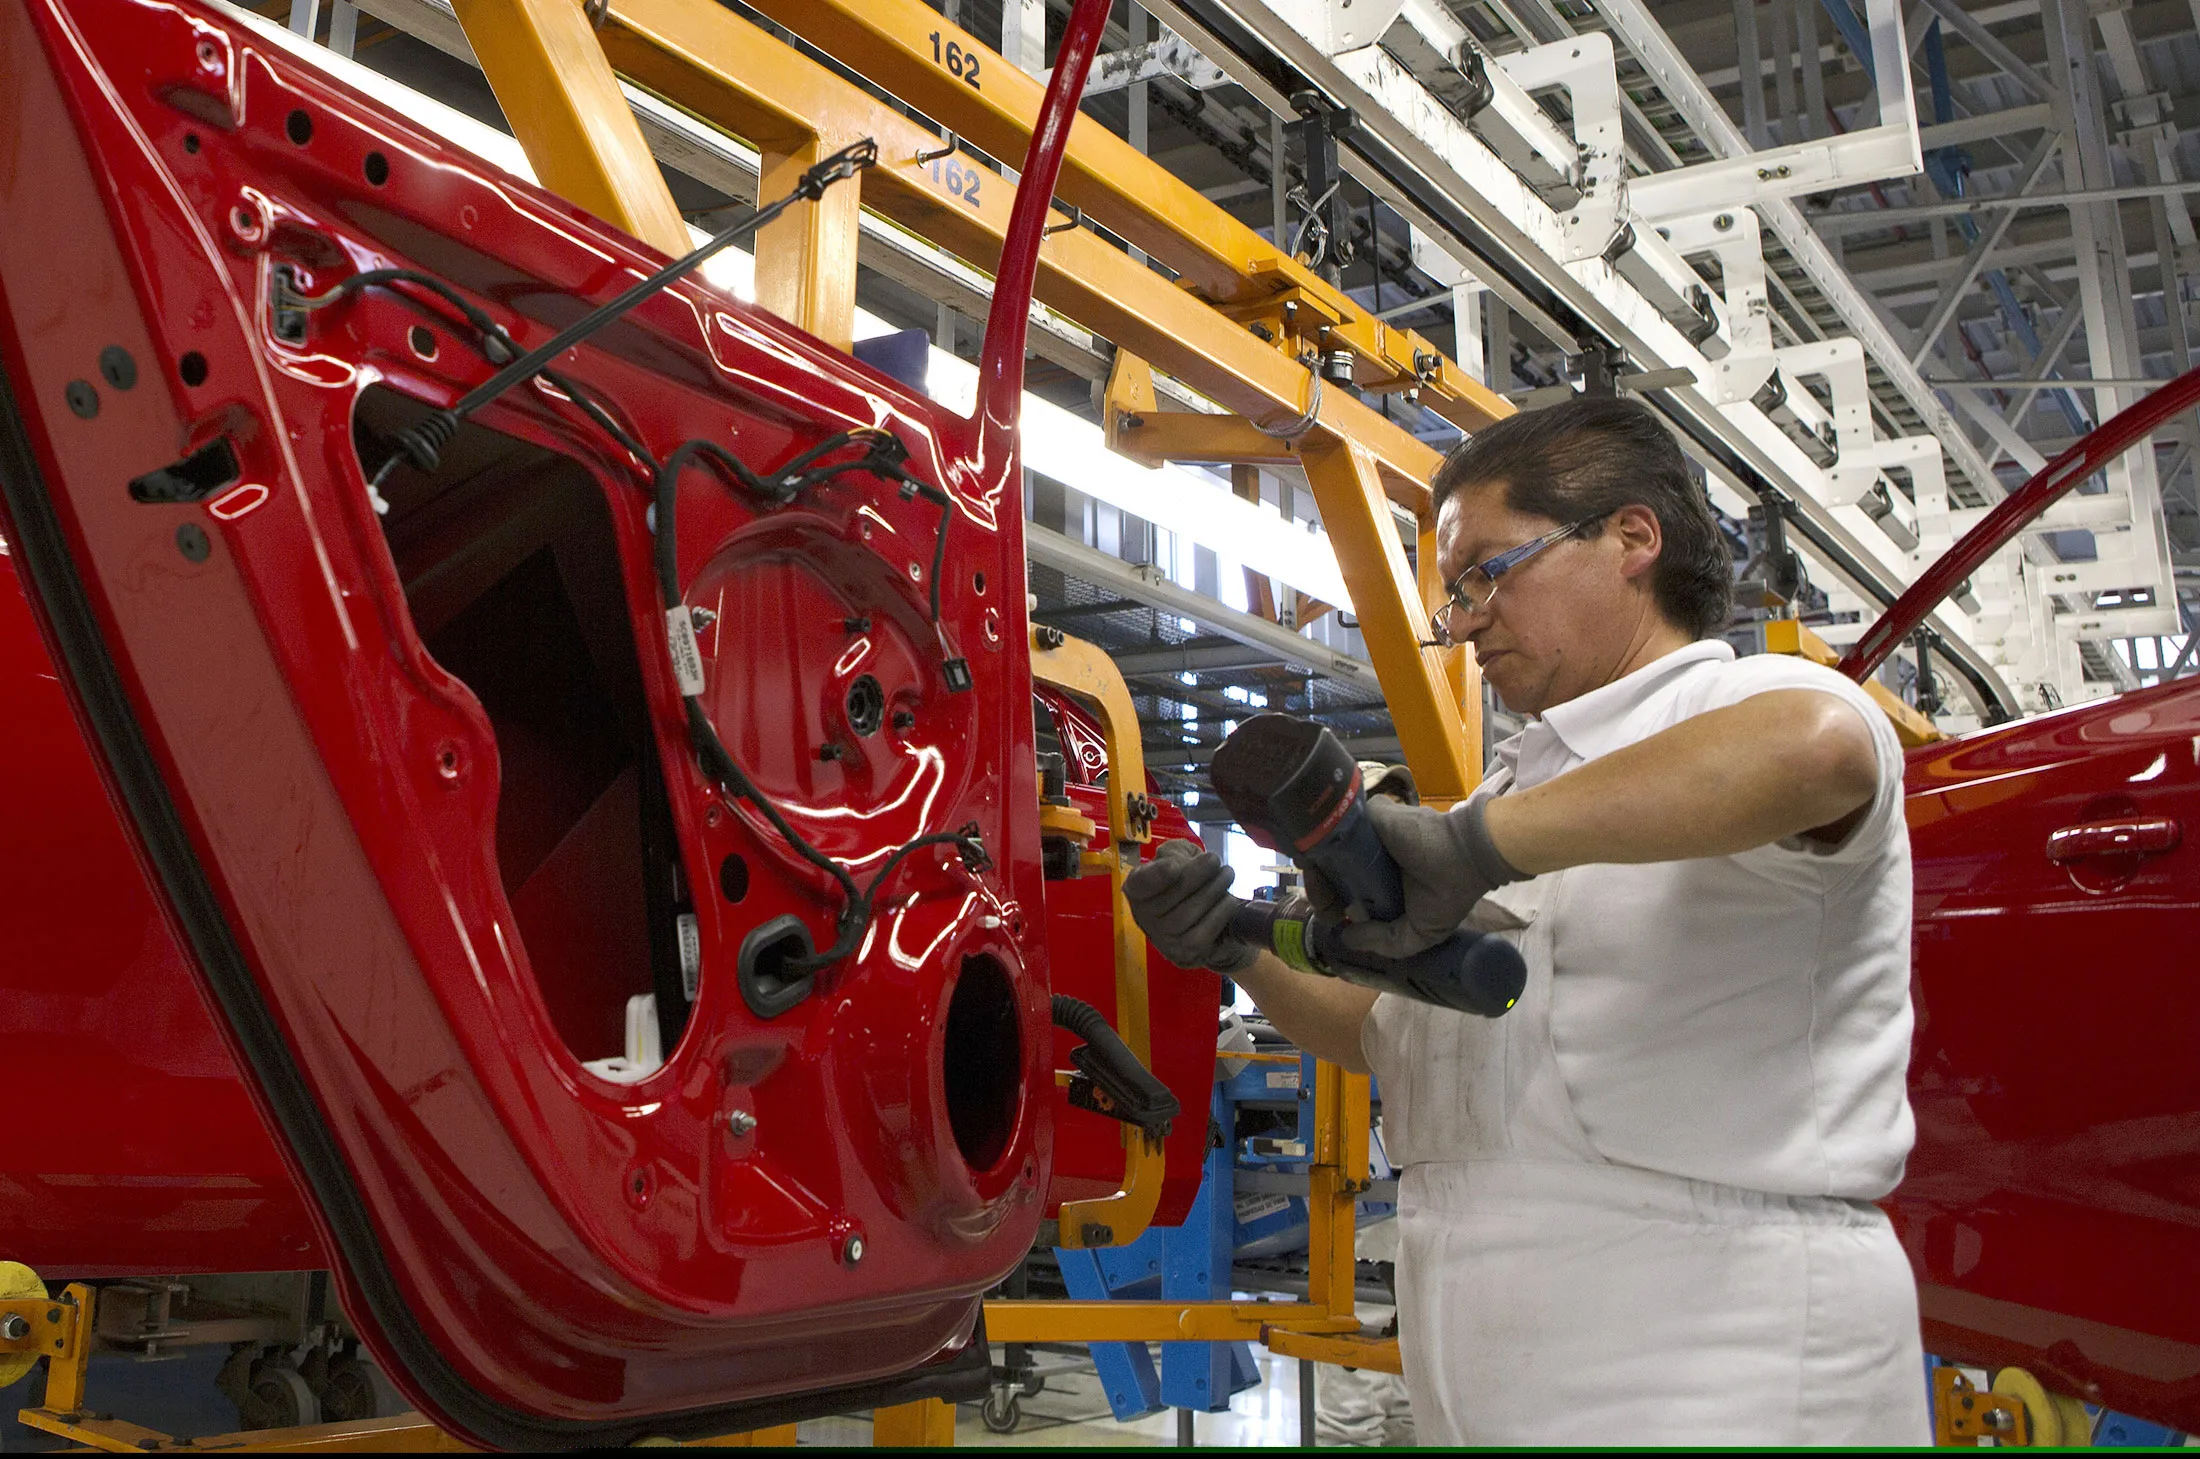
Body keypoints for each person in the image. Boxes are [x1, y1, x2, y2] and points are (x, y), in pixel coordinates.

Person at [1127, 397, 1928, 1445]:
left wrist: (1479, 848)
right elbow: (1380, 1031)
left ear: (1631, 538)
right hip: (1485, 1339)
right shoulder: (1508, 793)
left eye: (1488, 573)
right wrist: (1240, 944)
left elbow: (1820, 747)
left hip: (1725, 1337)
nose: (1461, 622)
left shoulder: (1732, 706)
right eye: (1451, 594)